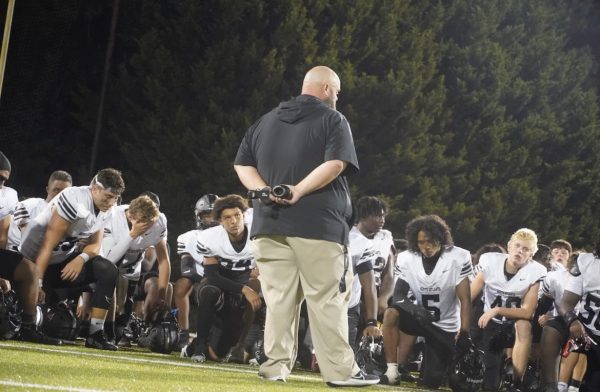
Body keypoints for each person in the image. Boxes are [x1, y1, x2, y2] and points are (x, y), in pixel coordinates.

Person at [234, 65, 378, 387]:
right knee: (328, 300)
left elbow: (242, 163)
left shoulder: (265, 120)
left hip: (268, 225)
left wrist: (265, 190)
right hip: (319, 227)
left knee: (279, 301)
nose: (337, 98)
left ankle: (274, 368)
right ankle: (341, 373)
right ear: (326, 88)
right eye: (337, 92)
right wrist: (297, 190)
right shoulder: (333, 119)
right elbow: (336, 163)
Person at [19, 168, 124, 350]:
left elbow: (95, 245)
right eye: (108, 196)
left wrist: (81, 259)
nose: (112, 202)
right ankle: (27, 325)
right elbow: (47, 244)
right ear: (95, 189)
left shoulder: (107, 209)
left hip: (61, 263)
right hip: (32, 264)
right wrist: (39, 283)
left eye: (115, 198)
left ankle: (96, 333)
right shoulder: (74, 199)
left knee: (108, 270)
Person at [381, 214, 473, 388]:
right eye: (421, 242)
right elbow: (398, 296)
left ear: (441, 238)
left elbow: (466, 300)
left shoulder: (457, 257)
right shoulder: (407, 258)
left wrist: (465, 333)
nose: (426, 246)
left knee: (431, 383)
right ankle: (392, 371)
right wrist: (415, 309)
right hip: (421, 319)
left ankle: (442, 365)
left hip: (445, 327)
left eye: (430, 240)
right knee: (391, 313)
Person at [181, 194, 261, 363]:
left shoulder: (258, 230)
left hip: (240, 291)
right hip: (218, 284)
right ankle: (200, 347)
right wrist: (244, 289)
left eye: (237, 215)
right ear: (220, 221)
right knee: (209, 291)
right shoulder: (209, 238)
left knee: (219, 352)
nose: (233, 221)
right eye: (227, 217)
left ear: (244, 215)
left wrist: (252, 283)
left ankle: (243, 347)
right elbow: (212, 277)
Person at [470, 228, 547, 391]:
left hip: (511, 325)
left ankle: (516, 382)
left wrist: (497, 310)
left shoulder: (536, 271)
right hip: (488, 323)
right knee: (489, 383)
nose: (520, 251)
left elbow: (527, 312)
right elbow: (470, 296)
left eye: (526, 249)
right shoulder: (490, 261)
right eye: (517, 246)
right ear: (509, 246)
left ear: (531, 254)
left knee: (524, 325)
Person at [0, 151, 59, 344]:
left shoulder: (8, 196)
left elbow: (2, 236)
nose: (1, 184)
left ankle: (28, 327)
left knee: (29, 270)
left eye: (4, 180)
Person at [101, 194, 171, 326]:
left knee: (121, 326)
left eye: (151, 223)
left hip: (133, 271)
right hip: (106, 269)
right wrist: (132, 234)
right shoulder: (112, 217)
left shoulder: (159, 221)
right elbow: (108, 260)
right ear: (131, 216)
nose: (149, 228)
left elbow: (163, 260)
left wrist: (162, 293)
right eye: (145, 224)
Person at [173, 193, 219, 349]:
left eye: (214, 215)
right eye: (207, 215)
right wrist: (204, 278)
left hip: (224, 279)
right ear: (199, 216)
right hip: (199, 278)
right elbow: (186, 269)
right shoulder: (187, 237)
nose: (211, 219)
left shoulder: (229, 237)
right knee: (181, 284)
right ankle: (183, 333)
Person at [6, 170, 72, 251]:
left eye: (65, 192)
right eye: (56, 190)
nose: (61, 195)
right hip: (16, 254)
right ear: (48, 189)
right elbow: (27, 239)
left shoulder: (71, 217)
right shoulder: (29, 205)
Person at [354, 196, 395, 318]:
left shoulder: (385, 237)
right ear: (362, 216)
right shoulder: (349, 237)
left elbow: (389, 272)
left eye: (383, 216)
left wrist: (383, 298)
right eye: (377, 216)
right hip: (354, 296)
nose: (382, 220)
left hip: (377, 293)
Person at [347, 224, 381, 351]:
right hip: (320, 302)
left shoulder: (360, 242)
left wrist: (372, 321)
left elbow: (369, 285)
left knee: (345, 356)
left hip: (348, 304)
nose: (380, 220)